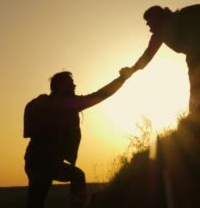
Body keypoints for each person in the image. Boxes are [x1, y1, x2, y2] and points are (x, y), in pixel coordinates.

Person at [23, 70, 131, 208]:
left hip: (33, 160)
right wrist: (122, 79)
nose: (74, 86)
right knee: (77, 176)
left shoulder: (48, 103)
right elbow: (100, 95)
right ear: (61, 86)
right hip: (44, 162)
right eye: (71, 83)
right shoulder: (64, 104)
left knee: (35, 201)